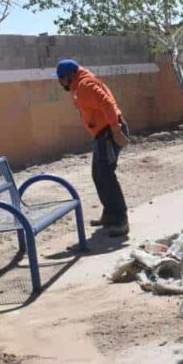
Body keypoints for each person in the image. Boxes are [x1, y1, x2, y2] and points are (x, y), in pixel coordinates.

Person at [55, 59, 130, 236]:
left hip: (108, 133)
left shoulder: (85, 85)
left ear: (69, 75)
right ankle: (110, 214)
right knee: (98, 174)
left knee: (106, 175)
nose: (59, 82)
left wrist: (115, 129)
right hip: (102, 134)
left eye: (60, 78)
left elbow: (108, 104)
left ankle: (121, 220)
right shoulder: (82, 84)